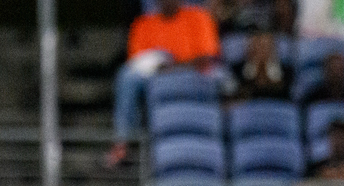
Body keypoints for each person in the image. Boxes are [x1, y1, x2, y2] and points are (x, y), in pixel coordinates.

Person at [106, 0, 220, 168]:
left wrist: (171, 66)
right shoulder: (144, 23)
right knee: (126, 76)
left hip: (194, 74)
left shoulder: (198, 17)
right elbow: (136, 64)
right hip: (155, 77)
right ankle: (123, 142)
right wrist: (161, 66)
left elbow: (205, 58)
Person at [227, 32, 291, 101]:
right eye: (257, 45)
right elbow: (233, 96)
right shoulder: (236, 70)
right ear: (249, 48)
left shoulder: (286, 71)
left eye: (265, 46)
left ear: (273, 49)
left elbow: (287, 97)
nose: (261, 50)